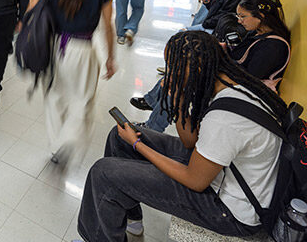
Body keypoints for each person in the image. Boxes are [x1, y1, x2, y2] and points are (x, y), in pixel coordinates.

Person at [77, 31, 286, 241]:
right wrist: (178, 97)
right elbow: (190, 142)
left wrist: (138, 144)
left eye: (174, 67)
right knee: (118, 136)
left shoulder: (225, 119)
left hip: (231, 210)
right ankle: (130, 219)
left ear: (196, 69)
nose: (170, 73)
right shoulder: (234, 85)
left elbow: (194, 180)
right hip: (222, 171)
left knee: (102, 173)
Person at [135, 0, 291, 132]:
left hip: (245, 91)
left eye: (243, 16)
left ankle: (152, 128)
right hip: (233, 77)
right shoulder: (257, 32)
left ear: (261, 16)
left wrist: (214, 65)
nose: (239, 20)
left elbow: (249, 78)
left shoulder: (273, 47)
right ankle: (152, 107)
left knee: (180, 81)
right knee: (180, 74)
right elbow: (238, 57)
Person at [30, 0, 115, 166]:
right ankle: (68, 140)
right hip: (83, 49)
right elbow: (108, 26)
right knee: (82, 98)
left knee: (54, 96)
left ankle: (56, 145)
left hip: (53, 46)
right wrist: (110, 58)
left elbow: (30, 12)